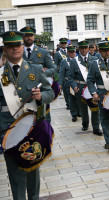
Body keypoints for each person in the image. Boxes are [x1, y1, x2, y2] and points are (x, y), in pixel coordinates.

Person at [0, 31, 54, 200]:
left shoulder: (35, 69)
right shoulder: (0, 73)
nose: (15, 49)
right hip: (9, 129)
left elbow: (50, 92)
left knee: (33, 168)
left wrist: (41, 97)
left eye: (17, 45)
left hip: (32, 128)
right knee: (15, 174)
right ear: (5, 49)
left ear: (22, 46)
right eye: (10, 46)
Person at [87, 41, 109, 150]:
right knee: (104, 117)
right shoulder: (94, 63)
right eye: (104, 51)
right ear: (100, 51)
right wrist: (94, 93)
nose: (107, 53)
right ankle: (108, 141)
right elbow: (90, 80)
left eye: (108, 50)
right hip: (102, 94)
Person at [20, 26, 58, 123]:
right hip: (23, 93)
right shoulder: (17, 52)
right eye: (26, 35)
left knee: (44, 121)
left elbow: (53, 69)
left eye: (31, 35)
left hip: (40, 91)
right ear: (22, 37)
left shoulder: (43, 52)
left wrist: (43, 73)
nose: (29, 37)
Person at [68, 40, 102, 135]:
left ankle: (96, 127)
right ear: (79, 49)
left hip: (93, 87)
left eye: (85, 48)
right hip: (81, 87)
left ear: (88, 48)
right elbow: (70, 77)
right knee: (83, 108)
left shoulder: (94, 59)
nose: (83, 50)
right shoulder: (75, 61)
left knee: (95, 107)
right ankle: (85, 124)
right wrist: (74, 86)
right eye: (81, 48)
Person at [58, 45, 81, 122]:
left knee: (78, 98)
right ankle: (73, 115)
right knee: (71, 100)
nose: (73, 53)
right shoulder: (64, 61)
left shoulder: (78, 60)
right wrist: (60, 84)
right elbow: (61, 73)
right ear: (67, 53)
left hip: (77, 83)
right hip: (68, 83)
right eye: (71, 52)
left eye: (74, 52)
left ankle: (79, 112)